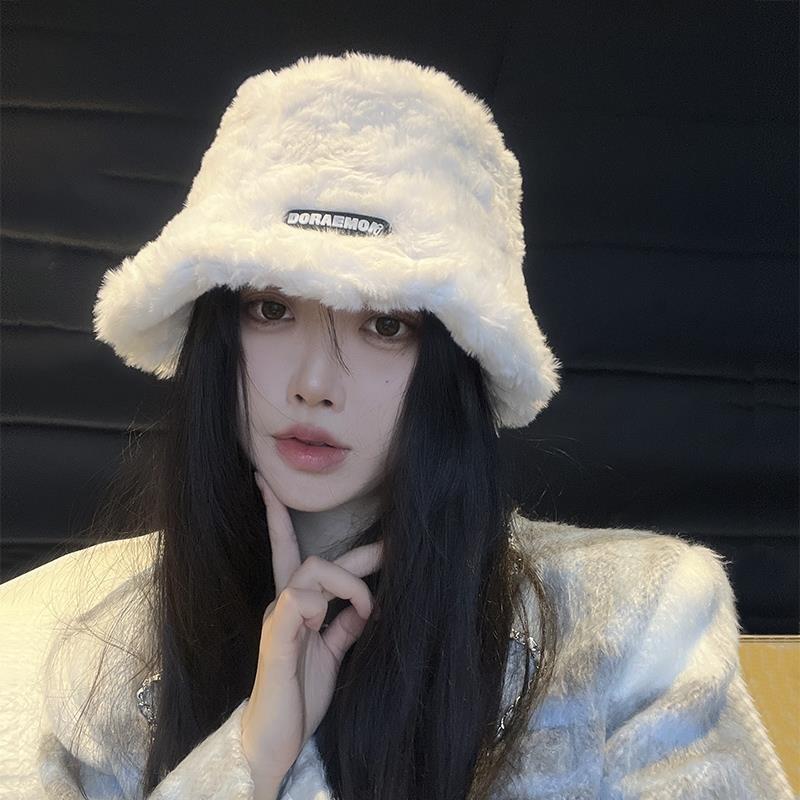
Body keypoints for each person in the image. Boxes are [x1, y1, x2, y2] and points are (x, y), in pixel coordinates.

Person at [0, 51, 792, 800]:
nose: (315, 384)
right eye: (271, 309)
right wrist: (251, 757)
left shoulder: (633, 628)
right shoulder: (87, 657)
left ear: (456, 359)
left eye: (386, 325)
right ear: (217, 329)